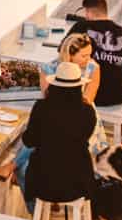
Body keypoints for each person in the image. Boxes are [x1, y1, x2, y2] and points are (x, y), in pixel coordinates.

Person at [20, 61, 96, 209]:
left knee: (23, 167)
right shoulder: (88, 111)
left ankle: (35, 219)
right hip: (78, 182)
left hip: (44, 182)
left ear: (54, 85)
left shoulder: (41, 108)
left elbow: (29, 141)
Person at [69, 0, 122, 109]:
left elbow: (64, 53)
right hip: (119, 93)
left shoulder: (82, 27)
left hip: (90, 94)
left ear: (87, 12)